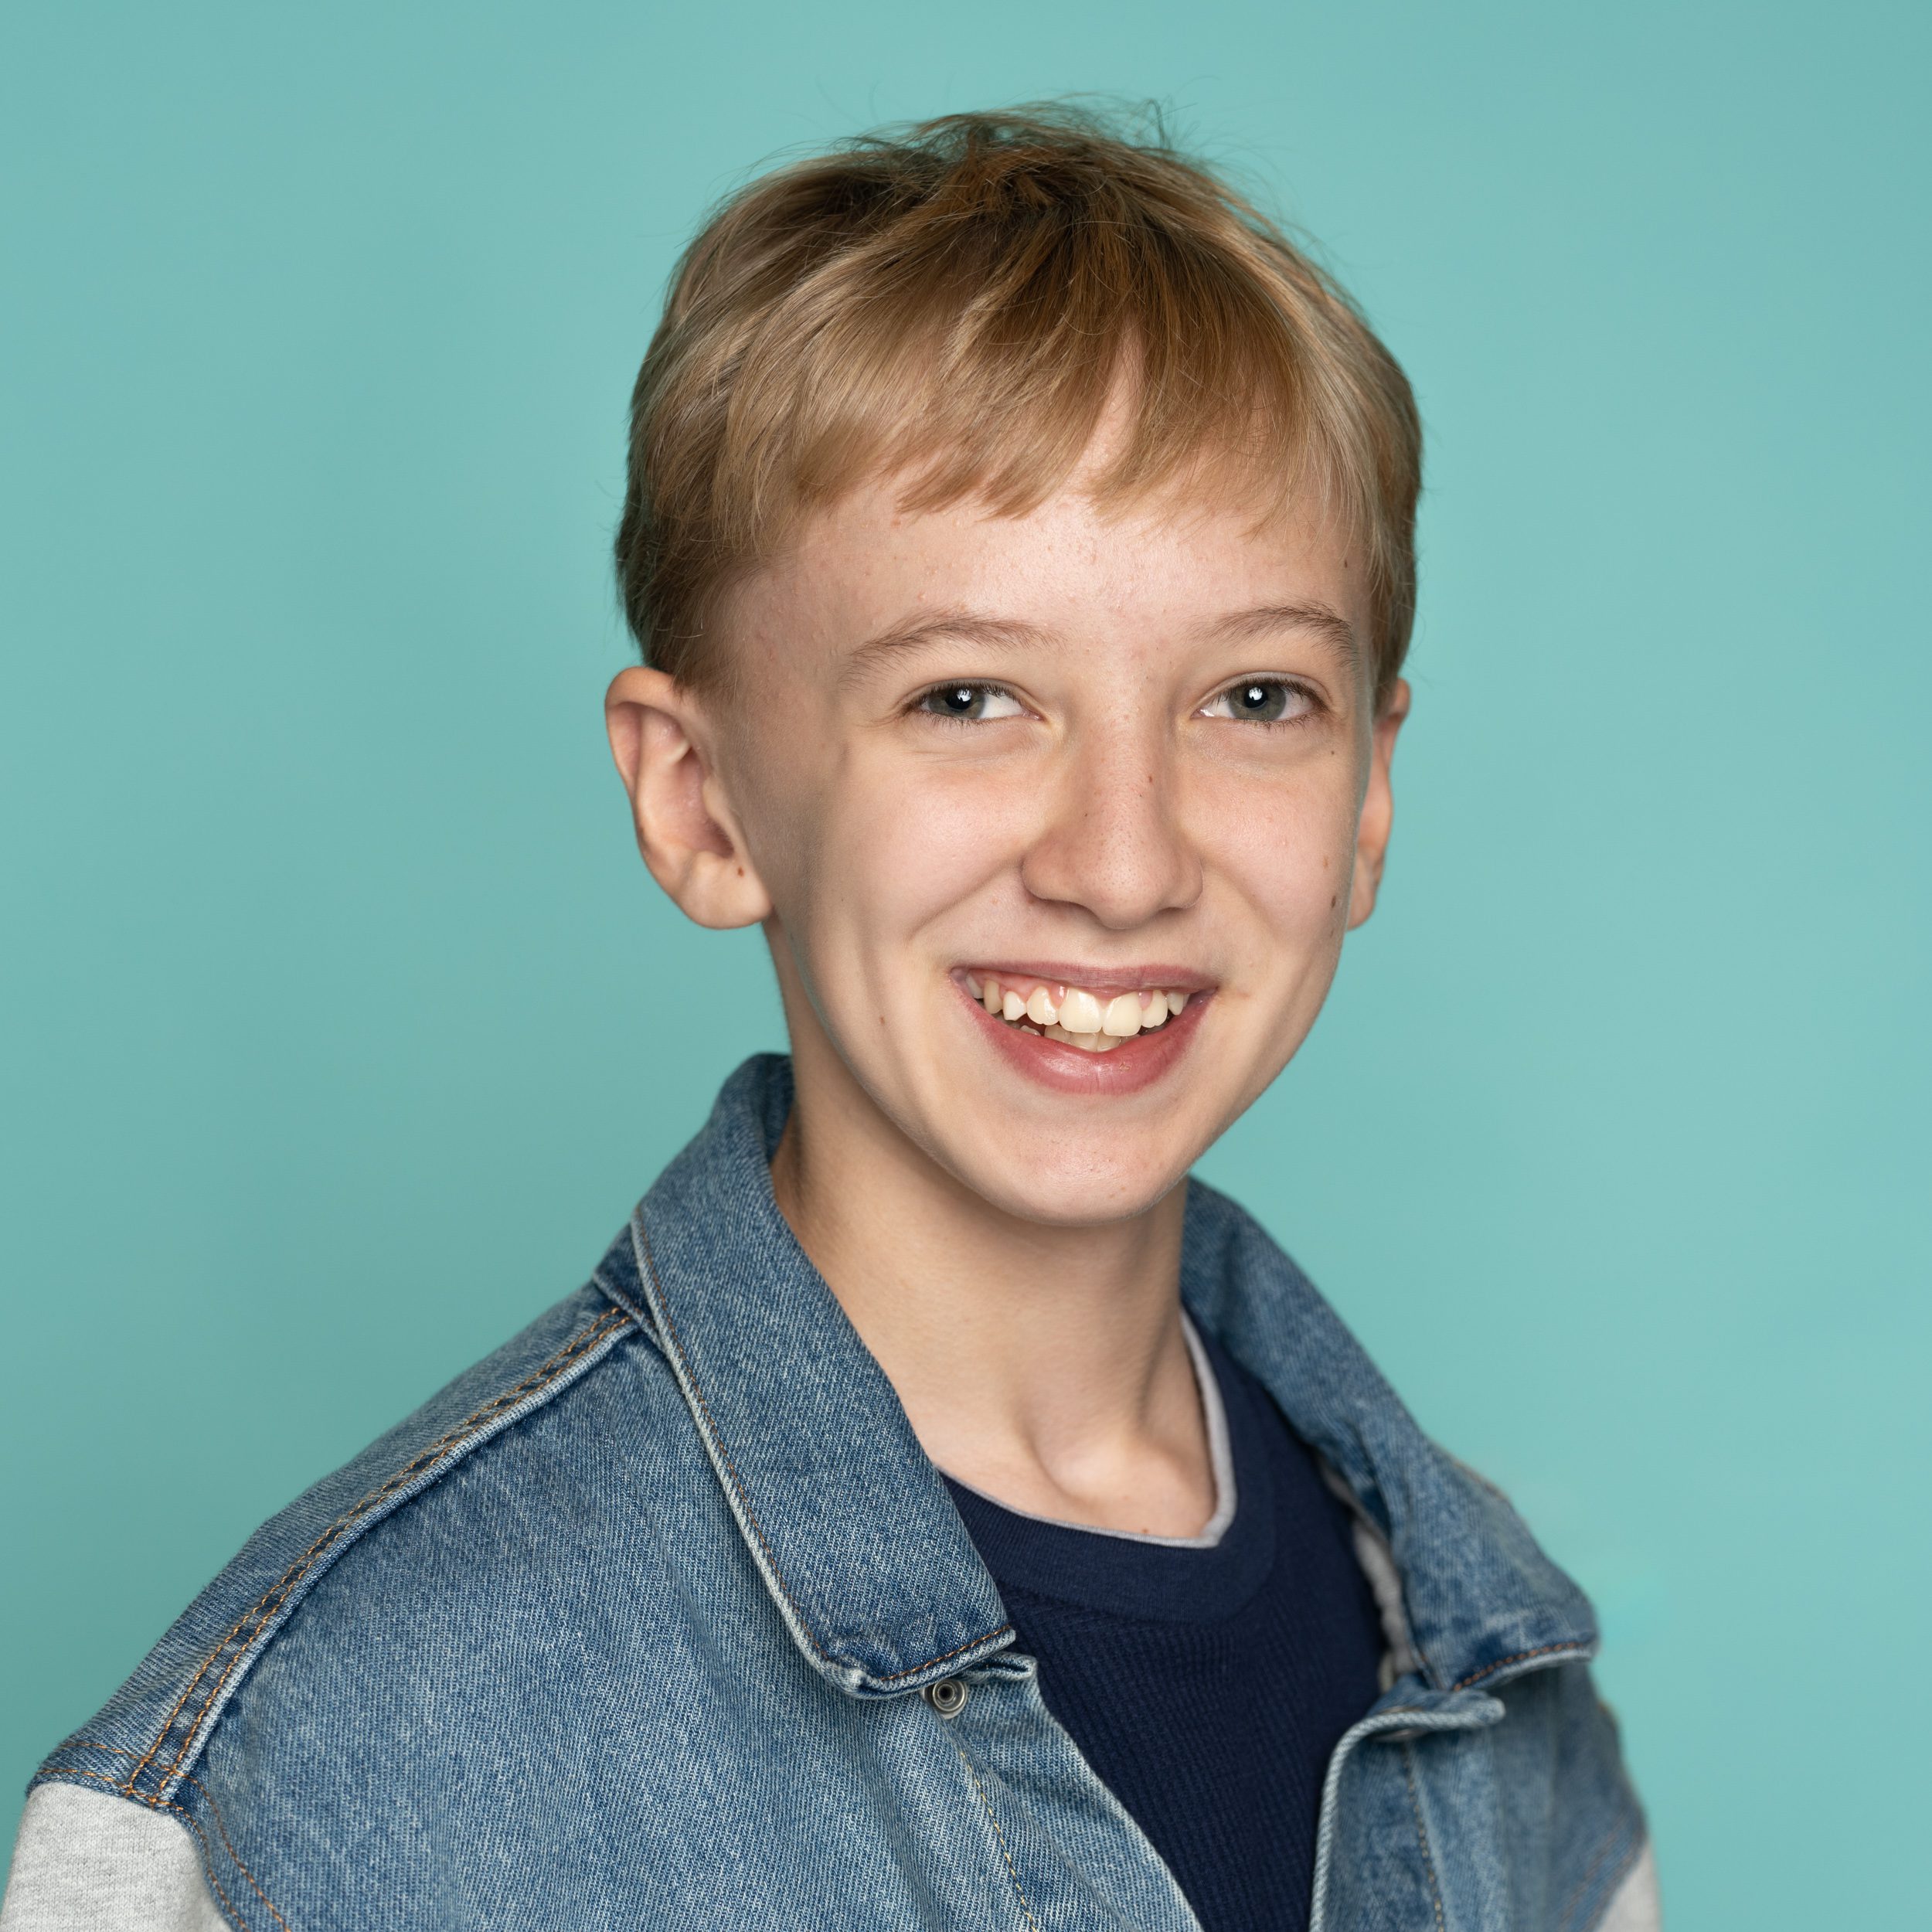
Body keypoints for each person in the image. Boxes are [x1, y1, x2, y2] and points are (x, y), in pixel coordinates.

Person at [2, 108, 1659, 1932]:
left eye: (1252, 694)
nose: (1121, 859)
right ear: (701, 800)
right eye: (966, 696)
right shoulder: (303, 1781)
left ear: (1364, 795)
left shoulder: (1491, 1663)